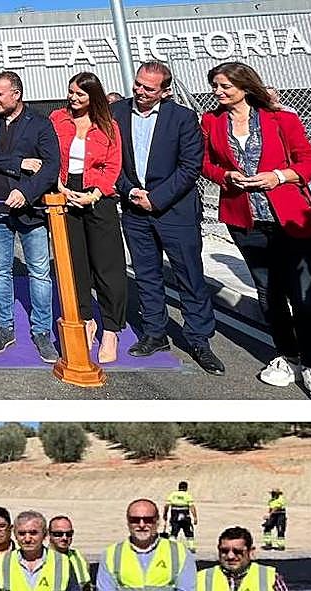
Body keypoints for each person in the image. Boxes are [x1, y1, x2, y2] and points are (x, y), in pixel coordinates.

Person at [200, 61, 311, 399]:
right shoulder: (211, 122)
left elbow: (310, 162)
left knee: (303, 295)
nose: (218, 92)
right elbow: (206, 164)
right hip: (244, 221)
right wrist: (226, 176)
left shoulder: (282, 119)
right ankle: (288, 356)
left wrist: (278, 176)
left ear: (245, 87)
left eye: (225, 86)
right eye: (215, 85)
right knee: (268, 293)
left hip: (291, 219)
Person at [112, 61, 225, 376]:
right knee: (147, 276)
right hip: (135, 209)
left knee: (189, 276)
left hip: (175, 212)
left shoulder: (183, 118)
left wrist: (156, 199)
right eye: (138, 84)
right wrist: (131, 191)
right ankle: (155, 333)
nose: (140, 92)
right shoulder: (117, 113)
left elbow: (190, 166)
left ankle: (199, 339)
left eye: (149, 88)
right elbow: (110, 160)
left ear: (165, 91)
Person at [0, 71, 61, 362]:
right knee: (0, 271)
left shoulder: (39, 124)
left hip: (31, 212)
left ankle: (41, 332)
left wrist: (26, 192)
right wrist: (18, 163)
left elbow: (51, 167)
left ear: (16, 94)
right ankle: (5, 327)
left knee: (39, 273)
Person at [49, 72, 127, 364]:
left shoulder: (109, 126)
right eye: (71, 92)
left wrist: (96, 194)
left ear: (93, 96)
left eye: (81, 94)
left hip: (98, 197)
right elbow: (48, 154)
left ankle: (111, 328)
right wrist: (58, 184)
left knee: (108, 266)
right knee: (74, 263)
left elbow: (113, 164)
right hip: (66, 192)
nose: (74, 98)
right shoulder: (57, 119)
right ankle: (85, 319)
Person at [163, 480, 198, 551]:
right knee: (189, 532)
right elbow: (192, 507)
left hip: (175, 517)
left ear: (178, 487)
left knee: (173, 532)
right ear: (186, 488)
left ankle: (172, 548)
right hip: (185, 517)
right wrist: (195, 517)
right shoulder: (187, 495)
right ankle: (191, 547)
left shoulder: (173, 495)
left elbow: (166, 506)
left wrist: (165, 514)